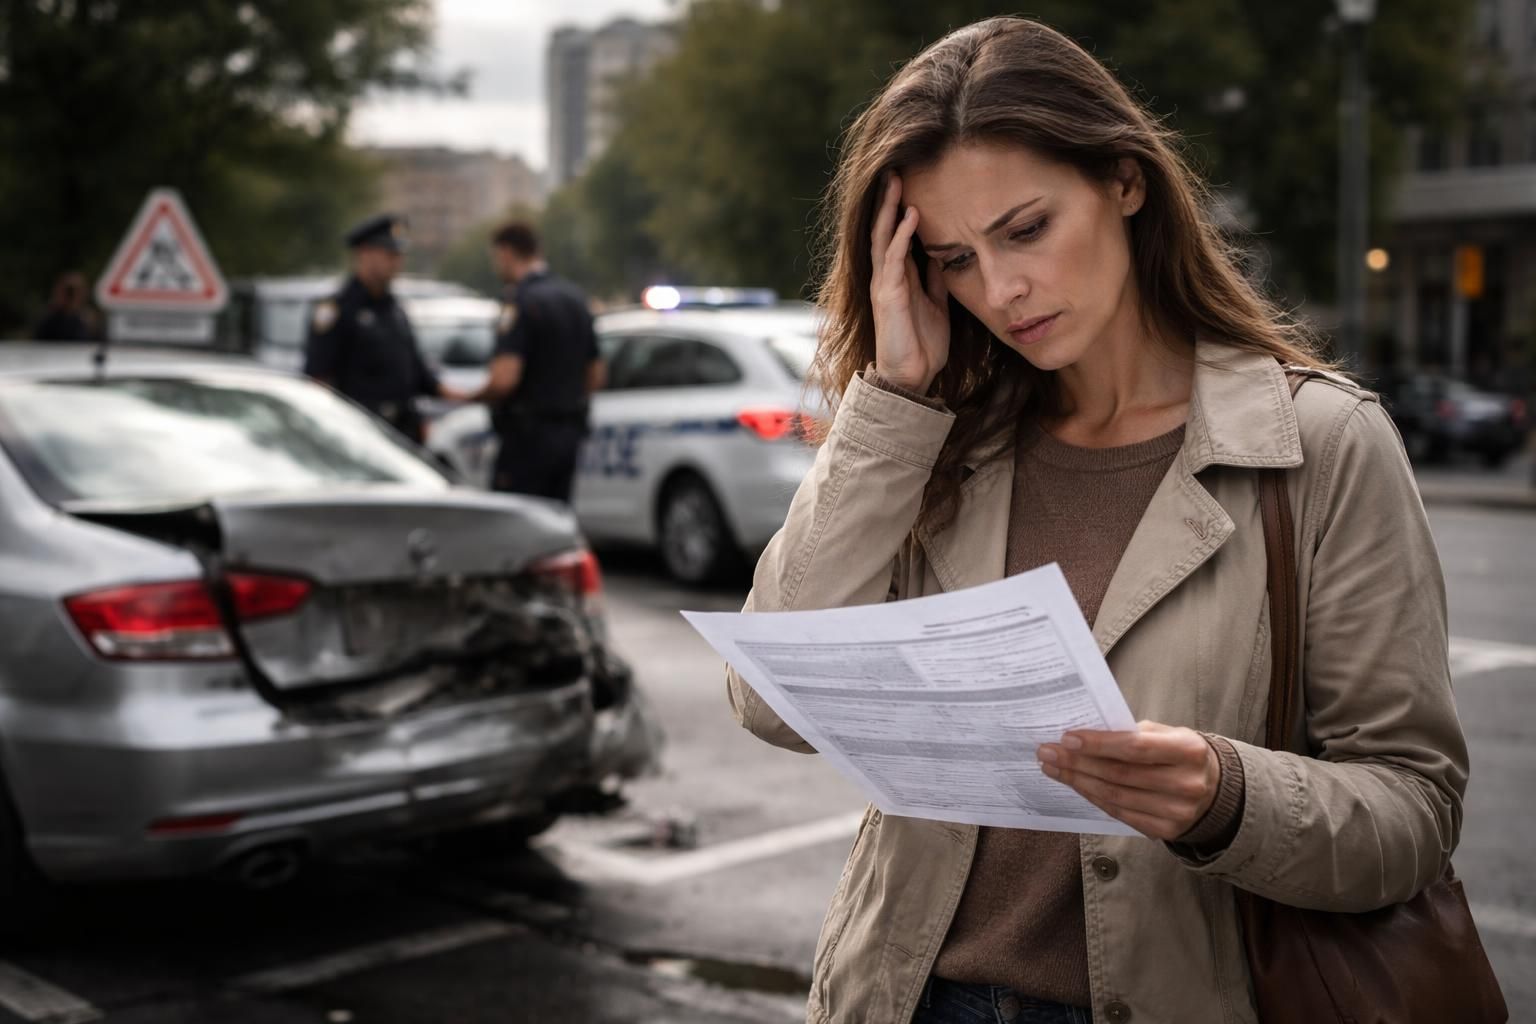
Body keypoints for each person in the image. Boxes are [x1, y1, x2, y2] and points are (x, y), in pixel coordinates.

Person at [725, 17, 1469, 1024]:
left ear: (1125, 182)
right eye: (953, 257)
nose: (1001, 289)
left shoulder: (1323, 442)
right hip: (903, 1001)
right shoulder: (939, 436)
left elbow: (1414, 807)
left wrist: (1228, 797)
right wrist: (894, 395)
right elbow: (771, 700)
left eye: (1026, 229)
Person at [472, 221, 603, 500]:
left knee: (515, 526)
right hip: (569, 433)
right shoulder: (575, 297)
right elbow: (596, 375)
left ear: (506, 252)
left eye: (496, 258)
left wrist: (473, 397)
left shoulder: (519, 300)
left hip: (526, 439)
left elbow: (505, 378)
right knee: (556, 523)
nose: (497, 266)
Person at [304, 214, 458, 443]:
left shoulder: (394, 308)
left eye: (399, 255)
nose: (397, 262)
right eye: (390, 254)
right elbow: (318, 379)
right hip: (359, 434)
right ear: (364, 253)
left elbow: (416, 372)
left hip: (402, 431)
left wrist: (468, 396)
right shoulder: (337, 309)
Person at [32, 272, 94, 341]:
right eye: (68, 291)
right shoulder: (47, 321)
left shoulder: (91, 322)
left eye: (76, 291)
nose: (71, 295)